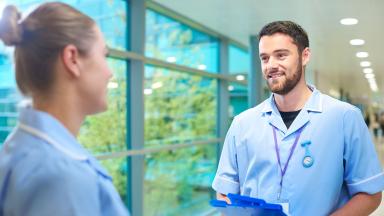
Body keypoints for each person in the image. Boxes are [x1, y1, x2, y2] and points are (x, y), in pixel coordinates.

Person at [212, 21, 384, 215]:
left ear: (305, 56)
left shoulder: (344, 117)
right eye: (264, 58)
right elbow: (225, 192)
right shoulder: (242, 124)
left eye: (281, 55)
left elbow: (370, 194)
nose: (271, 65)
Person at [0, 2, 129, 215]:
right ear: (72, 59)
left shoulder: (18, 150)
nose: (109, 72)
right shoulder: (63, 176)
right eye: (104, 56)